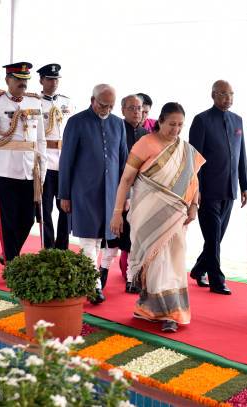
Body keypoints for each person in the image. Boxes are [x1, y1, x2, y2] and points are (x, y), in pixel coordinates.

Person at [110, 102, 204, 333]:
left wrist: (194, 206)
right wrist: (117, 213)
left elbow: (193, 180)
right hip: (147, 212)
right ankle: (153, 309)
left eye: (180, 125)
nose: (176, 129)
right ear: (160, 121)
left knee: (173, 261)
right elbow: (126, 180)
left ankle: (170, 312)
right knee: (154, 262)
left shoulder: (186, 148)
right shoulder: (145, 143)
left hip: (176, 215)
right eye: (171, 124)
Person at [59, 84, 127, 305]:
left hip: (110, 195)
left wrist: (126, 195)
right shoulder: (76, 122)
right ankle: (94, 286)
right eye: (102, 104)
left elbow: (124, 162)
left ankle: (89, 279)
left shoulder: (118, 124)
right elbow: (66, 161)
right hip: (83, 192)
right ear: (92, 100)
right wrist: (64, 194)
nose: (106, 109)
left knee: (104, 240)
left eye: (110, 105)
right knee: (89, 241)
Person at [0, 62, 47, 265]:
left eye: (25, 80)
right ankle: (11, 261)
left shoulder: (35, 102)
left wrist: (42, 169)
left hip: (29, 170)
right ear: (8, 80)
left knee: (27, 219)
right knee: (8, 220)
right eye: (18, 79)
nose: (22, 84)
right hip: (4, 170)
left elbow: (40, 140)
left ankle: (11, 252)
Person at [188, 80, 247, 295]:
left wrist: (245, 186)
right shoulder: (202, 120)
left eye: (231, 94)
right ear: (213, 95)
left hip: (230, 189)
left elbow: (242, 156)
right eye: (223, 94)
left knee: (216, 237)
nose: (228, 98)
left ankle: (198, 268)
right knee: (213, 236)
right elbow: (194, 160)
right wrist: (197, 191)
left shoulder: (237, 120)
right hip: (207, 191)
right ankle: (217, 279)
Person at [37, 63, 74, 250]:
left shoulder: (66, 102)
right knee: (45, 209)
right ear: (41, 80)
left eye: (56, 79)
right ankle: (48, 247)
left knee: (65, 208)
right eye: (49, 79)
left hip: (64, 162)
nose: (53, 83)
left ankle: (62, 247)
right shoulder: (35, 102)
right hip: (44, 161)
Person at [115, 94, 148, 291]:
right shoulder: (117, 129)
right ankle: (125, 276)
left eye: (139, 108)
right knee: (124, 236)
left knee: (138, 234)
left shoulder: (146, 134)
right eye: (132, 108)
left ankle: (134, 276)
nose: (136, 112)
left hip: (142, 191)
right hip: (121, 190)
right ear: (123, 110)